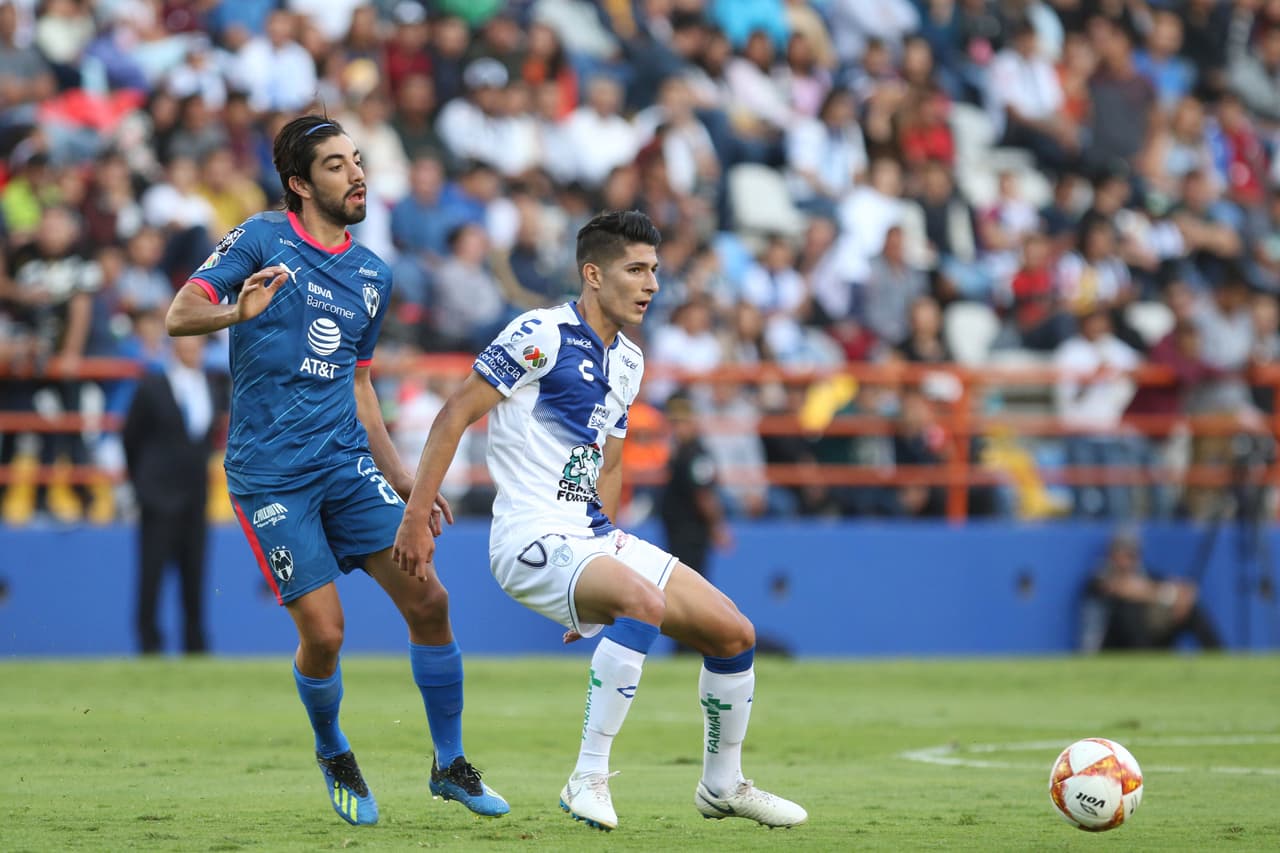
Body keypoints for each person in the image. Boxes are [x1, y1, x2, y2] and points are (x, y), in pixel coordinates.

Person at [393, 211, 807, 831]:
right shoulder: (540, 334)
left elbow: (608, 464)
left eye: (655, 271)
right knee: (642, 603)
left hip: (589, 537)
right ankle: (586, 775)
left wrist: (596, 573)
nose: (651, 285)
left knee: (735, 634)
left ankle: (723, 784)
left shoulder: (630, 361)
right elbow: (453, 415)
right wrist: (415, 514)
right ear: (592, 274)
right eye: (635, 270)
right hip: (528, 536)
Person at [163, 114, 507, 827]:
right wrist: (237, 310)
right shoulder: (263, 237)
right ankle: (333, 747)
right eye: (336, 165)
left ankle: (450, 762)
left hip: (347, 467)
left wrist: (407, 479)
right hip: (271, 477)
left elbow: (359, 386)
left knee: (431, 600)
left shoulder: (372, 275)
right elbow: (178, 314)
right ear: (299, 182)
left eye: (357, 160)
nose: (356, 174)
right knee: (324, 634)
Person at [121, 334, 226, 655]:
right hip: (158, 497)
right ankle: (149, 645)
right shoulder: (151, 386)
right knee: (151, 576)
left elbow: (206, 439)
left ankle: (195, 646)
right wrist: (143, 485)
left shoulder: (211, 386)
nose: (193, 350)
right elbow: (130, 438)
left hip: (196, 497)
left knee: (195, 576)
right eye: (187, 344)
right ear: (174, 348)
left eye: (197, 345)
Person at [1082, 529, 1223, 652]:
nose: (1126, 561)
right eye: (1121, 553)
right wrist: (1170, 595)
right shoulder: (1100, 576)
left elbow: (1181, 591)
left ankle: (1220, 660)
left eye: (1131, 554)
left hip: (1148, 639)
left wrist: (1179, 598)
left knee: (1190, 609)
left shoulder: (1148, 575)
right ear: (1111, 555)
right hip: (1112, 646)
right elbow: (1126, 588)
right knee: (1129, 610)